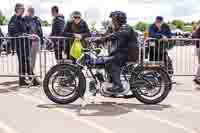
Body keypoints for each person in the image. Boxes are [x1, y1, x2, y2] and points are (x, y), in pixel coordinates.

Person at [98, 11, 138, 94]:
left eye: (114, 19)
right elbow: (111, 35)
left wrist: (105, 38)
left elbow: (117, 35)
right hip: (123, 52)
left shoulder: (125, 27)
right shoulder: (119, 28)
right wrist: (97, 39)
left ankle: (118, 86)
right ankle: (112, 83)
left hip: (129, 53)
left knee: (110, 62)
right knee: (106, 60)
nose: (112, 21)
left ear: (119, 20)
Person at [8, 3, 39, 86]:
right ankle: (25, 79)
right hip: (20, 44)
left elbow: (26, 29)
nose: (24, 10)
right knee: (23, 62)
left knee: (26, 61)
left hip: (25, 44)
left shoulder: (22, 19)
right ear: (18, 9)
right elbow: (13, 32)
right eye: (22, 8)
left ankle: (28, 78)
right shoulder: (14, 19)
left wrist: (29, 34)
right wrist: (23, 35)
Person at [24, 7, 43, 83]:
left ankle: (31, 72)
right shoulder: (25, 19)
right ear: (28, 11)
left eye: (32, 11)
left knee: (33, 58)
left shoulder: (37, 20)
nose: (31, 12)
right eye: (30, 11)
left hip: (36, 41)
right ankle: (28, 73)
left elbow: (40, 31)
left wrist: (41, 41)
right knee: (28, 58)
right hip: (29, 41)